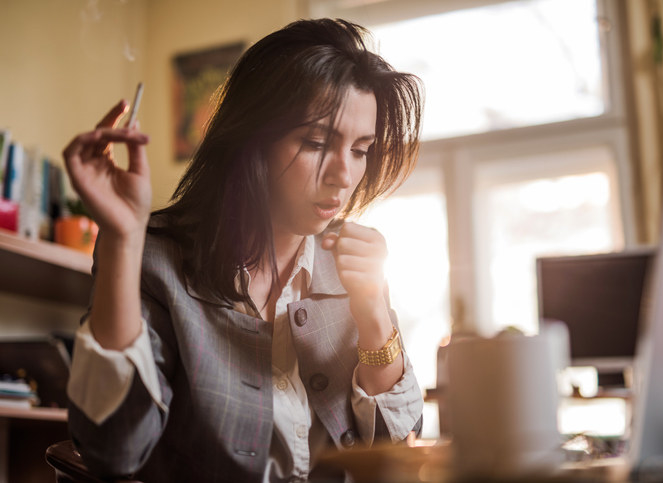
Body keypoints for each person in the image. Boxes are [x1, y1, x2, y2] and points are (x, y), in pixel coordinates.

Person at [62, 18, 424, 482]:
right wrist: (123, 239)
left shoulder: (353, 265)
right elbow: (114, 450)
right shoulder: (156, 260)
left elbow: (400, 449)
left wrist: (374, 313)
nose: (344, 175)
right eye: (316, 142)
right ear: (253, 140)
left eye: (361, 149)